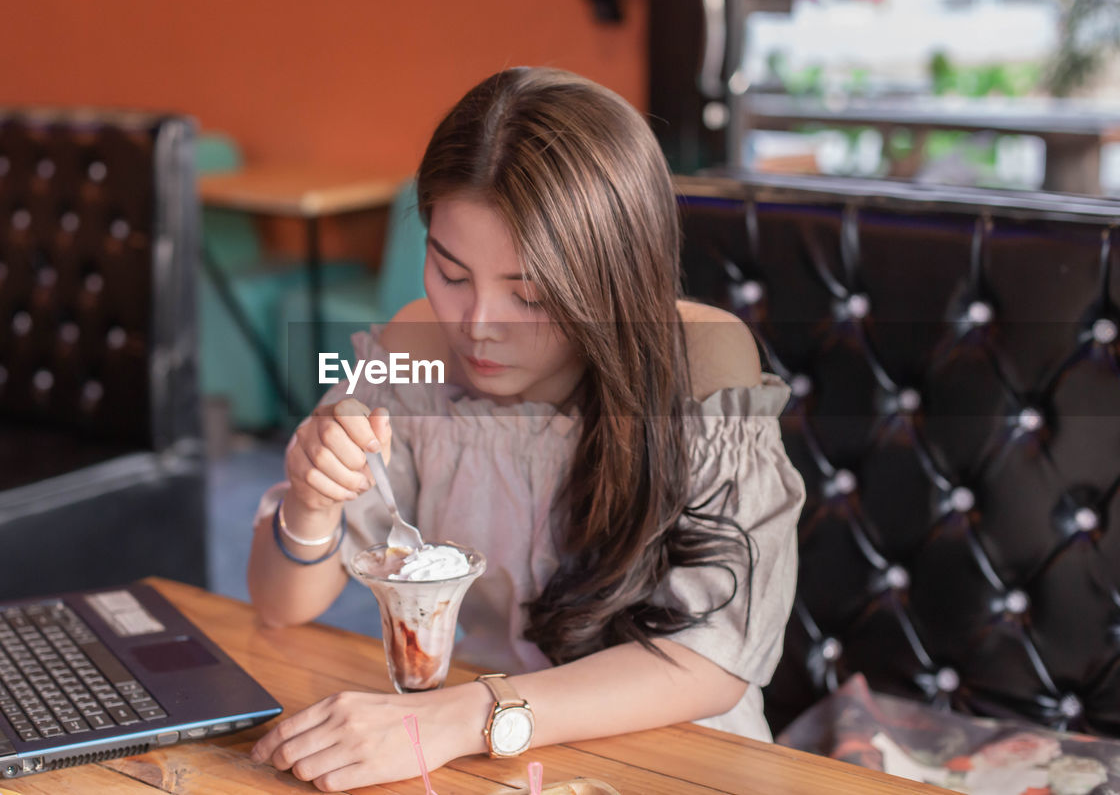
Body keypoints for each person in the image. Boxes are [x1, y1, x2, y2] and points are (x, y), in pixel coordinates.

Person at [246, 66, 806, 792]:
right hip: (487, 759)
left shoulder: (699, 364)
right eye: (451, 273)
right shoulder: (416, 355)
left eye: (530, 294)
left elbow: (711, 659)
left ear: (615, 280)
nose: (478, 326)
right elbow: (279, 602)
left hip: (675, 756)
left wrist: (458, 718)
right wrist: (311, 502)